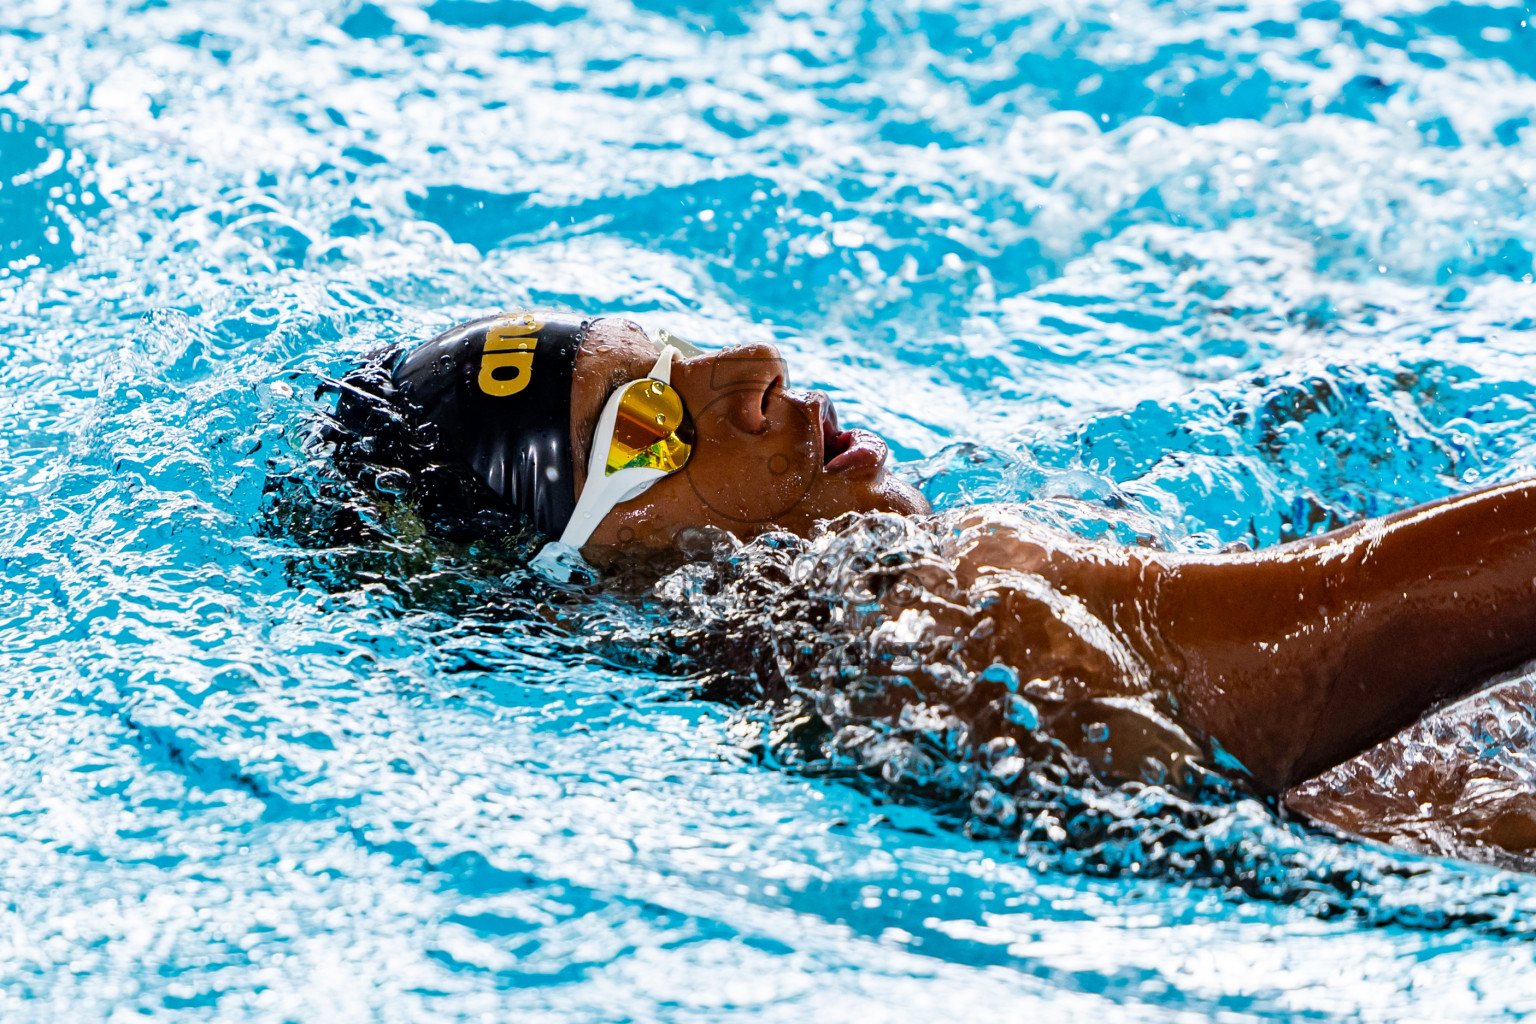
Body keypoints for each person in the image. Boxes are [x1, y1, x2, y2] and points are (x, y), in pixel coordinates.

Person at [324, 309, 1536, 812]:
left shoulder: (847, 696)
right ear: (586, 579)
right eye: (651, 423)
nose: (754, 372)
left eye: (676, 347)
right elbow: (1409, 608)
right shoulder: (953, 629)